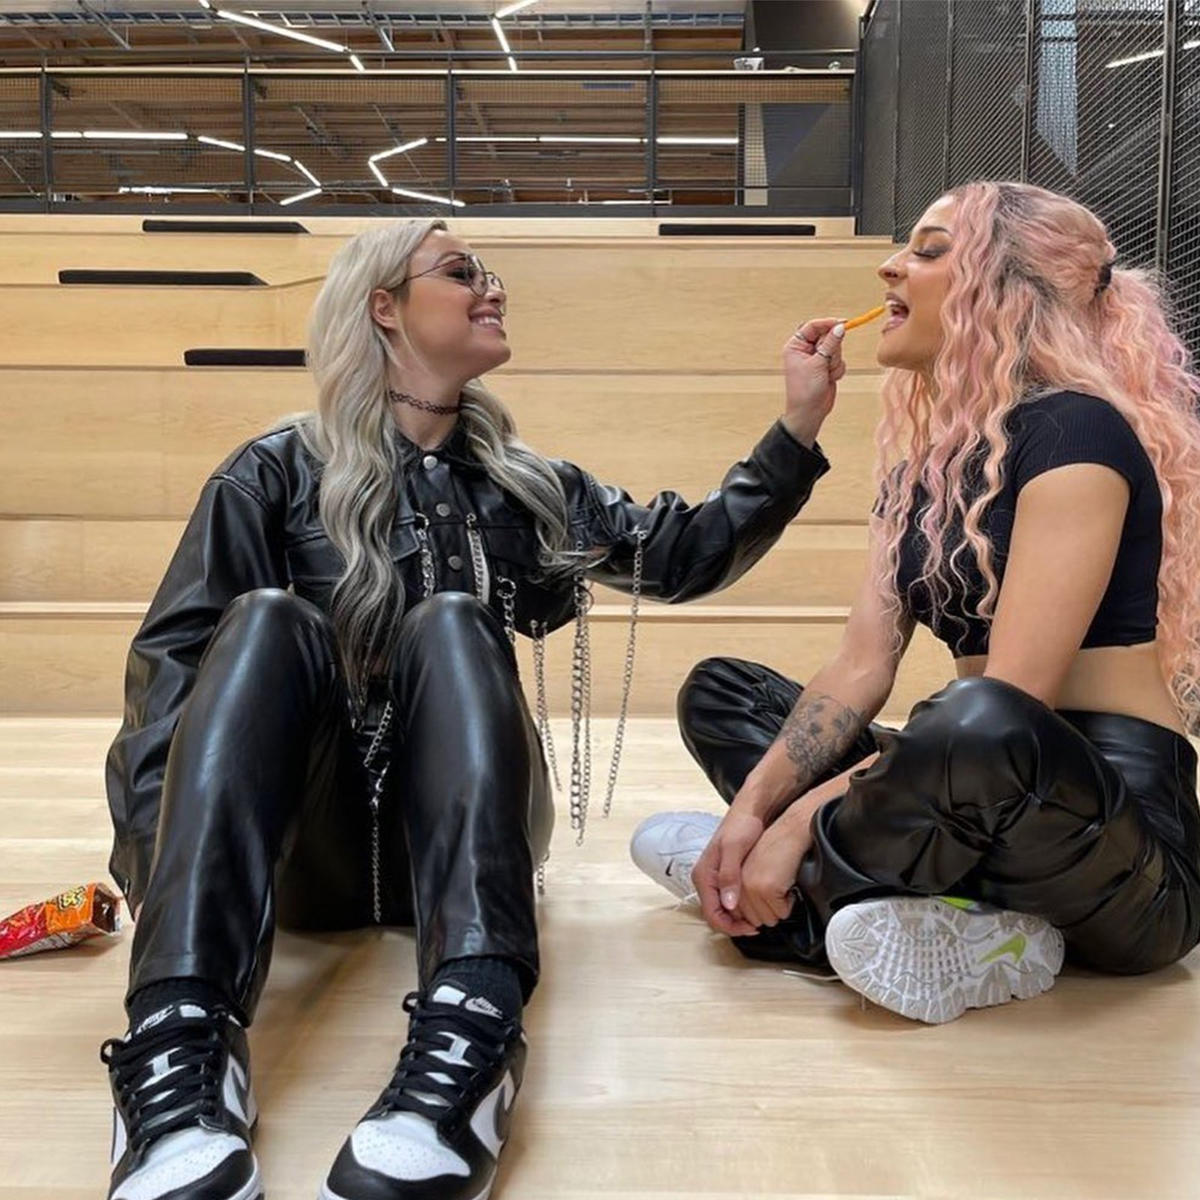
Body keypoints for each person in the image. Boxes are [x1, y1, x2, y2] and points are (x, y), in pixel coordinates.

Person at [99, 217, 845, 1200]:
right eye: (461, 272)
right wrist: (152, 863)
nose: (492, 288)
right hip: (306, 854)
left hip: (469, 847)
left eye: (487, 273)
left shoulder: (525, 485)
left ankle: (476, 1023)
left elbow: (686, 551)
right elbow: (169, 672)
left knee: (452, 619)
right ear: (384, 307)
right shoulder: (271, 472)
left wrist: (797, 428)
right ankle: (177, 1033)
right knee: (268, 619)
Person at [633, 180, 1200, 1025]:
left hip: (1122, 852)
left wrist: (794, 824)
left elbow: (1017, 701)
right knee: (723, 690)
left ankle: (793, 901)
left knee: (978, 717)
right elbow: (860, 666)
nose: (890, 266)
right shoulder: (921, 474)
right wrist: (749, 814)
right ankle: (938, 917)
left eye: (929, 252)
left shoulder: (1078, 433)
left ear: (1004, 289)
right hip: (974, 799)